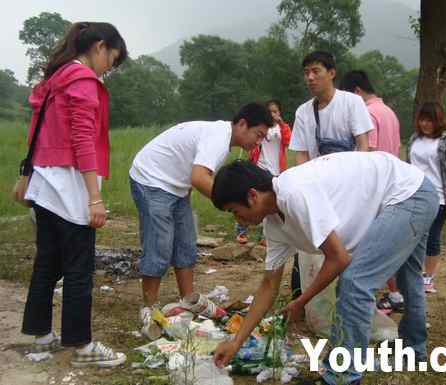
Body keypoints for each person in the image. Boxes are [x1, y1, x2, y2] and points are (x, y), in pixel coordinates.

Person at [211, 154, 439, 385]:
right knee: (408, 276)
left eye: (234, 211)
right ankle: (413, 350)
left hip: (408, 194)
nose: (237, 220)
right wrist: (236, 342)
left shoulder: (293, 193)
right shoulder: (275, 225)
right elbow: (268, 285)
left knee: (354, 283)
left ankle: (342, 376)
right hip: (412, 190)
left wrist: (301, 301)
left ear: (252, 196)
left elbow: (339, 259)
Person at [21, 22, 128, 367]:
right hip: (69, 187)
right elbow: (83, 138)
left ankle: (41, 338)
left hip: (44, 184)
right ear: (99, 46)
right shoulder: (82, 80)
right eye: (112, 58)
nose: (109, 68)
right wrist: (94, 198)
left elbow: (34, 134)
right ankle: (82, 347)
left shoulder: (54, 80)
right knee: (79, 268)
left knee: (47, 264)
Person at [129, 103, 273, 338]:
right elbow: (199, 177)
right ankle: (149, 308)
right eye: (258, 135)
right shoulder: (218, 138)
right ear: (242, 124)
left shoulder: (224, 140)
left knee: (186, 242)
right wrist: (235, 204)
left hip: (176, 186)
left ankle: (188, 300)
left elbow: (195, 176)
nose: (257, 142)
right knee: (160, 244)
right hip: (151, 178)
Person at [289, 51, 373, 301]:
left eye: (316, 71)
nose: (310, 78)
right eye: (306, 73)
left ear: (332, 73)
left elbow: (363, 145)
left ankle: (351, 296)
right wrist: (304, 187)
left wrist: (356, 182)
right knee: (311, 240)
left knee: (351, 239)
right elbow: (301, 155)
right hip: (318, 186)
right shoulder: (303, 112)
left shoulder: (351, 103)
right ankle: (304, 296)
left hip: (350, 183)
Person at [339, 70, 404, 313]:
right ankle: (395, 291)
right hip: (393, 183)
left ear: (356, 92)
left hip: (375, 186)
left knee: (369, 243)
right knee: (388, 242)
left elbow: (369, 151)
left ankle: (390, 294)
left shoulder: (366, 112)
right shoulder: (389, 112)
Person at [407, 102, 446, 293]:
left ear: (438, 120)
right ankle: (412, 273)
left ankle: (428, 277)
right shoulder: (415, 138)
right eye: (422, 119)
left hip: (437, 196)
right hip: (412, 193)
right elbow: (408, 165)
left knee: (432, 237)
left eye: (429, 120)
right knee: (412, 235)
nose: (425, 124)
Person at [235, 99, 292, 245]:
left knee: (268, 203)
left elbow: (289, 141)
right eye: (270, 111)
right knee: (250, 198)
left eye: (276, 111)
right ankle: (242, 231)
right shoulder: (261, 128)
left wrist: (282, 123)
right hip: (259, 166)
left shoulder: (281, 128)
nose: (273, 114)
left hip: (276, 170)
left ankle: (265, 237)